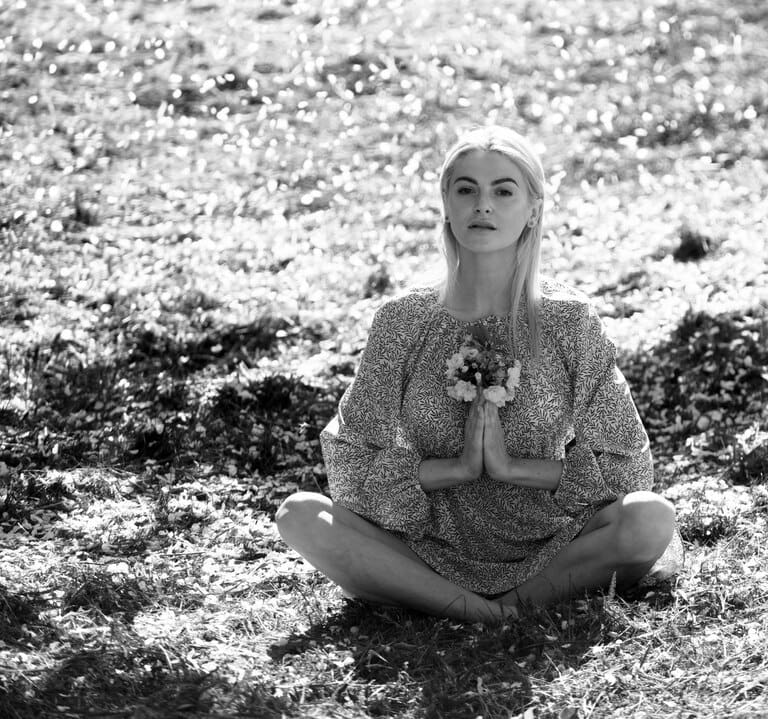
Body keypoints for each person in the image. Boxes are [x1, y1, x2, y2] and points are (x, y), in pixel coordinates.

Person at [276, 126, 676, 623]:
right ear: (446, 202)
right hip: (422, 542)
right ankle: (486, 614)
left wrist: (509, 468)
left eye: (502, 190)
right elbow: (350, 469)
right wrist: (458, 469)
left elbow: (629, 467)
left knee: (649, 517)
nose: (481, 205)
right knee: (300, 515)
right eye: (466, 189)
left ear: (532, 209)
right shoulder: (404, 320)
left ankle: (496, 608)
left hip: (554, 541)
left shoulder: (567, 320)